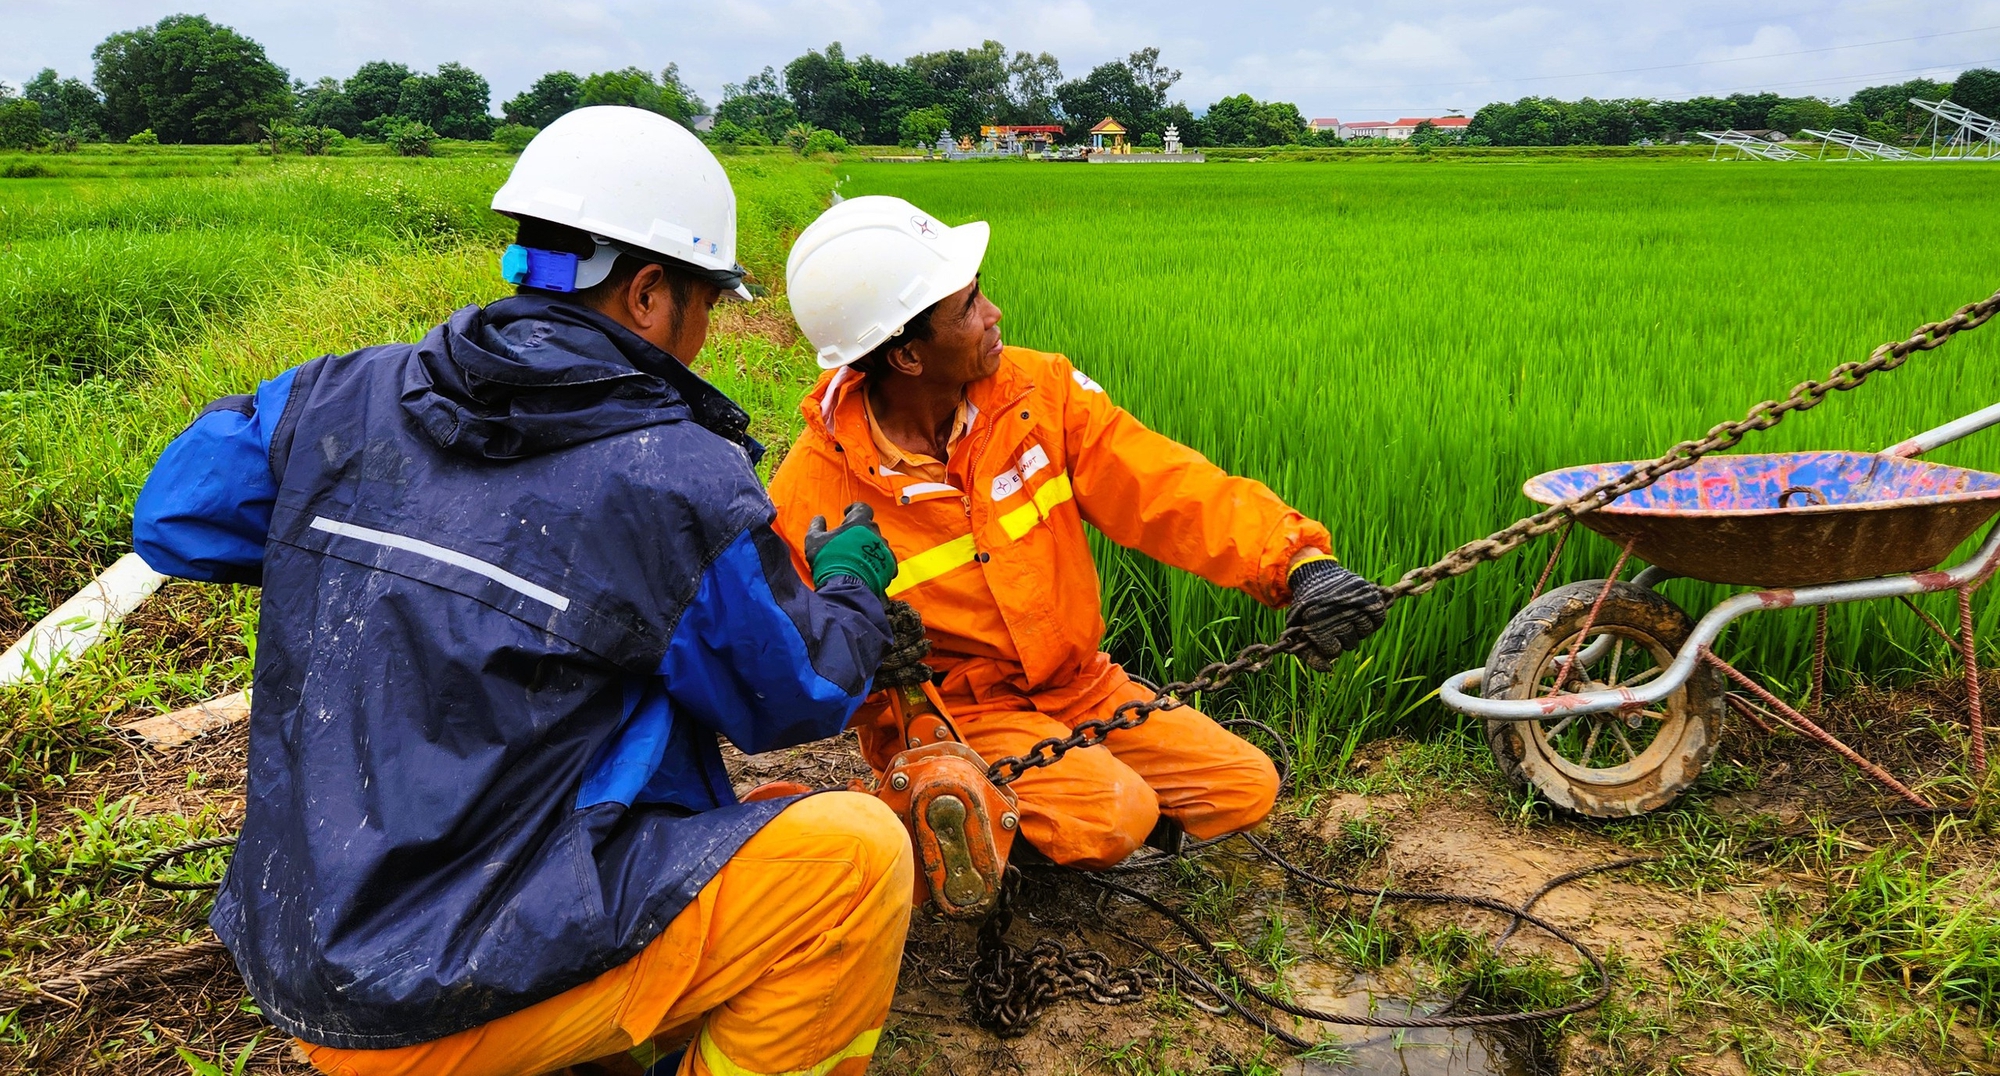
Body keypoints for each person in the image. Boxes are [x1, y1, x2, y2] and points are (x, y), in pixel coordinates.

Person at [131, 107, 915, 1076]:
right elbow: (790, 694)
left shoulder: (341, 394)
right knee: (848, 855)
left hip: (308, 956)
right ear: (647, 291)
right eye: (707, 304)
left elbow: (175, 512)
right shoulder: (669, 477)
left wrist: (393, 521)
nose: (707, 332)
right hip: (442, 993)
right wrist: (846, 588)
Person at [768, 195, 1390, 870]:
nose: (993, 314)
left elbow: (1165, 484)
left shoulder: (1039, 393)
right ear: (909, 357)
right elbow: (790, 662)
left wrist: (1297, 561)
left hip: (1078, 681)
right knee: (1115, 813)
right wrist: (866, 665)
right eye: (968, 306)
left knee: (1241, 788)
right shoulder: (812, 492)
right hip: (955, 715)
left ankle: (1053, 814)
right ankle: (947, 827)